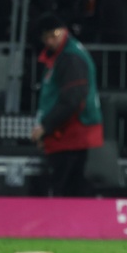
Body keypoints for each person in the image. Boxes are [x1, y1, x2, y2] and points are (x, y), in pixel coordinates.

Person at [30, 13, 104, 197]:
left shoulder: (70, 58)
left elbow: (72, 99)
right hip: (66, 134)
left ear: (64, 31)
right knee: (73, 187)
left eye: (53, 35)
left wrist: (46, 127)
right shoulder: (62, 55)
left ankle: (64, 224)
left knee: (65, 189)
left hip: (70, 134)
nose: (50, 41)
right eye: (47, 37)